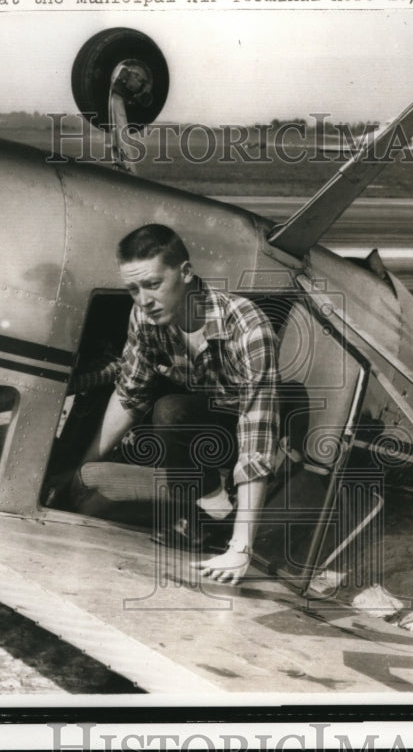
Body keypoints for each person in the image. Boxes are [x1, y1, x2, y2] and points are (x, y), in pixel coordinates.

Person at [83, 223, 280, 586]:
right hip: (203, 426)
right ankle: (214, 508)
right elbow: (130, 394)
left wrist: (242, 548)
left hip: (256, 428)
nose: (143, 300)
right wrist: (83, 466)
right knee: (168, 413)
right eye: (133, 289)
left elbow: (257, 432)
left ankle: (223, 520)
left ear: (186, 273)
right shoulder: (145, 317)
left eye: (153, 284)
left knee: (171, 411)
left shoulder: (247, 325)